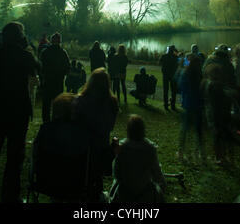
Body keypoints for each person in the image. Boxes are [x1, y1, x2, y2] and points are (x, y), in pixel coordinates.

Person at [0, 22, 39, 203]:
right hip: (18, 109)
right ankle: (10, 194)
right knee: (15, 154)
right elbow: (37, 67)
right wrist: (28, 49)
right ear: (20, 36)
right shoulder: (24, 55)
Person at [32, 93, 93, 201]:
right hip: (73, 182)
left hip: (45, 180)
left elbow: (36, 153)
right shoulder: (81, 133)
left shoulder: (46, 129)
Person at [74, 68, 118, 198]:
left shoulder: (80, 100)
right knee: (96, 179)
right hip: (100, 148)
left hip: (81, 147)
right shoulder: (111, 103)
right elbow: (109, 127)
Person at [109, 115, 166, 203]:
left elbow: (116, 173)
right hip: (146, 195)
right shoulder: (150, 148)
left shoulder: (122, 148)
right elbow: (157, 175)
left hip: (124, 195)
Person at [201, 59, 234, 165]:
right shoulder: (220, 85)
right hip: (222, 114)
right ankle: (227, 156)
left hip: (215, 114)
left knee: (217, 136)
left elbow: (210, 100)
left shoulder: (212, 85)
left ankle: (220, 157)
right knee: (223, 135)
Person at [176, 54, 204, 162]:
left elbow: (179, 86)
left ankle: (182, 152)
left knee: (185, 130)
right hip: (198, 104)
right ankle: (200, 153)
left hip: (188, 104)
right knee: (198, 130)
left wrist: (180, 67)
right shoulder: (200, 74)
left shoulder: (186, 73)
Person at [40, 32, 71, 123]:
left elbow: (42, 66)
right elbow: (67, 67)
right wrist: (62, 73)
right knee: (58, 103)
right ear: (60, 41)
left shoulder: (45, 52)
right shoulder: (63, 52)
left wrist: (44, 75)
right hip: (58, 81)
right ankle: (56, 121)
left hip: (48, 80)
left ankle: (46, 122)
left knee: (46, 103)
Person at [159, 45, 178, 111]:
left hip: (165, 75)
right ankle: (173, 105)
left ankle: (166, 105)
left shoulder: (164, 56)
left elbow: (159, 62)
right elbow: (177, 64)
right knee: (173, 91)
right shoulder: (175, 57)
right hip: (173, 75)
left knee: (165, 90)